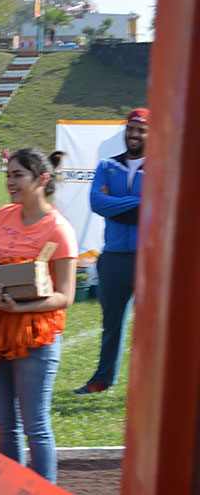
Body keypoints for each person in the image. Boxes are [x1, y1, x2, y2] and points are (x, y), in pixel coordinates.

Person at [0, 148, 77, 495]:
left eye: (18, 175)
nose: (11, 182)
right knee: (5, 426)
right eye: (8, 175)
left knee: (35, 425)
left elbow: (65, 296)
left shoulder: (59, 229)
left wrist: (22, 306)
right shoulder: (1, 217)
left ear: (41, 180)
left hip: (36, 336)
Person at [74, 108, 147, 395]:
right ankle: (103, 379)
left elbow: (158, 206)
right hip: (114, 256)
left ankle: (151, 384)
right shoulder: (107, 165)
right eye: (130, 129)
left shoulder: (162, 165)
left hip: (149, 257)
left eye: (141, 130)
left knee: (155, 325)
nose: (134, 134)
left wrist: (117, 203)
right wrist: (139, 203)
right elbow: (96, 203)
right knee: (111, 324)